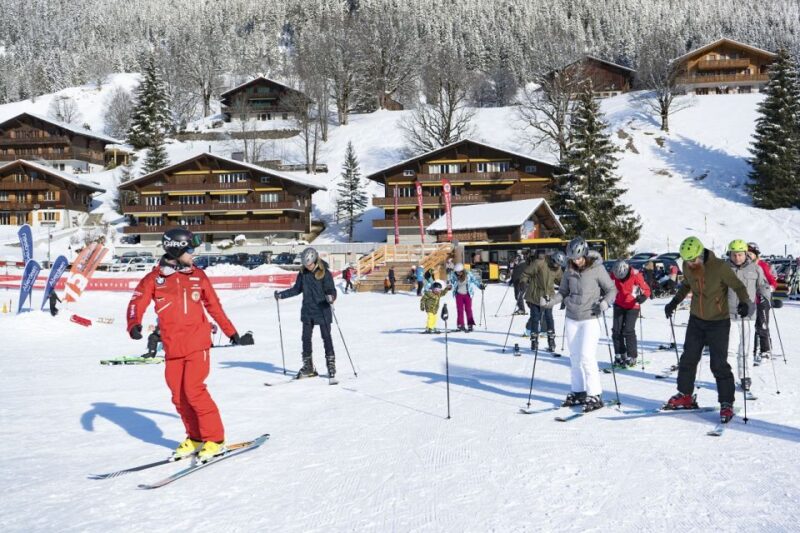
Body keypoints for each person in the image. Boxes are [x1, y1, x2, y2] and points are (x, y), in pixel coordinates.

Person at [127, 228, 254, 463]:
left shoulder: (198, 277)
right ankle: (195, 437)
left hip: (197, 344)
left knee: (194, 391)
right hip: (173, 347)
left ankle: (215, 439)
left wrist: (232, 333)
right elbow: (137, 301)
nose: (194, 255)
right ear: (176, 250)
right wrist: (133, 324)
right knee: (178, 396)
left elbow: (214, 306)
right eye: (190, 250)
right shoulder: (155, 279)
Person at [663, 236, 753, 423]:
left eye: (693, 259)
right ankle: (685, 394)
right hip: (696, 319)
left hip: (718, 322)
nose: (690, 263)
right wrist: (674, 302)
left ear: (701, 254)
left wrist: (745, 302)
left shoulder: (719, 267)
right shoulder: (687, 265)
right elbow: (687, 284)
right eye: (687, 260)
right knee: (688, 358)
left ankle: (726, 403)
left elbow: (738, 285)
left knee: (718, 364)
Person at [540, 237, 616, 412]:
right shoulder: (569, 270)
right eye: (573, 258)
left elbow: (612, 289)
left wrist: (605, 303)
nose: (576, 261)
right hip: (572, 317)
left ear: (585, 254)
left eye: (579, 258)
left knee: (587, 357)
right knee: (574, 358)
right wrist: (550, 301)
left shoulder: (597, 269)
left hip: (590, 317)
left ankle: (595, 395)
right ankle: (578, 392)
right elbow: (564, 292)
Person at [275, 247, 338, 380]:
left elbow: (332, 290)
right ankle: (308, 366)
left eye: (309, 264)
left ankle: (330, 364)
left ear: (315, 260)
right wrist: (282, 295)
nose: (307, 266)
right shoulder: (303, 274)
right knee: (305, 339)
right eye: (305, 264)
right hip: (308, 311)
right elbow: (296, 289)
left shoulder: (325, 273)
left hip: (322, 310)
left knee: (326, 338)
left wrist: (331, 297)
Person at [725, 240, 771, 394]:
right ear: (729, 254)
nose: (737, 257)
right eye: (734, 254)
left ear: (745, 254)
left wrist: (767, 298)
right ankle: (728, 378)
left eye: (739, 254)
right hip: (728, 315)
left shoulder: (755, 269)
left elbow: (763, 286)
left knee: (746, 349)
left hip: (748, 315)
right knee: (730, 350)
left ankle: (746, 377)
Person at [610, 260, 651, 367]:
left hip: (633, 305)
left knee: (628, 330)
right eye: (619, 278)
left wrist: (643, 297)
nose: (621, 280)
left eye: (622, 278)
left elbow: (647, 289)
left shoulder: (636, 275)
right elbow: (607, 285)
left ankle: (632, 356)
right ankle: (620, 354)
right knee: (616, 330)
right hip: (619, 304)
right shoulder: (614, 274)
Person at [522, 250, 564, 352]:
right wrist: (523, 281)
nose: (556, 265)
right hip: (535, 295)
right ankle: (534, 341)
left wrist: (568, 286)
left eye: (558, 264)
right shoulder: (540, 263)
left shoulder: (557, 269)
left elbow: (560, 280)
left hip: (548, 297)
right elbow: (526, 273)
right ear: (552, 258)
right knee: (535, 318)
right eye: (555, 263)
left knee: (549, 317)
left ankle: (551, 341)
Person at [747, 242, 777, 364]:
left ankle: (765, 350)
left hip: (762, 299)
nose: (748, 256)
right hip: (750, 300)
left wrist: (769, 288)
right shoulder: (745, 267)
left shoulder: (762, 265)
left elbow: (772, 281)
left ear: (755, 254)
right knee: (751, 325)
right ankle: (754, 349)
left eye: (750, 253)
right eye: (747, 253)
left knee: (762, 325)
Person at [448, 263, 482, 332]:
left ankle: (470, 325)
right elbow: (451, 282)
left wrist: (480, 286)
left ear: (462, 270)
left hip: (467, 294)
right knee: (460, 310)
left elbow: (475, 280)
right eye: (456, 272)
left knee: (468, 309)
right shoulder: (454, 275)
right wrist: (450, 286)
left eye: (459, 272)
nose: (458, 273)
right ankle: (460, 325)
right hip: (459, 295)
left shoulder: (468, 274)